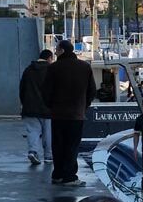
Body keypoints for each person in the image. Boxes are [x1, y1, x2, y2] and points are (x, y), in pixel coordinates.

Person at [41, 39, 96, 186]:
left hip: (58, 114)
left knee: (58, 145)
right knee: (72, 145)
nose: (55, 51)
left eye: (57, 49)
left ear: (63, 50)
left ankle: (58, 174)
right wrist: (84, 106)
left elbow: (46, 91)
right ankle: (70, 176)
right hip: (77, 114)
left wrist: (51, 106)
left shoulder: (54, 68)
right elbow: (92, 90)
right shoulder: (85, 67)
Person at [19, 49, 54, 165]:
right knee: (48, 133)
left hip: (30, 108)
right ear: (49, 58)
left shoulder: (28, 70)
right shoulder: (51, 70)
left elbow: (22, 89)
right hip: (48, 108)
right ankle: (48, 156)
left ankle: (33, 151)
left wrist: (24, 103)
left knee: (33, 131)